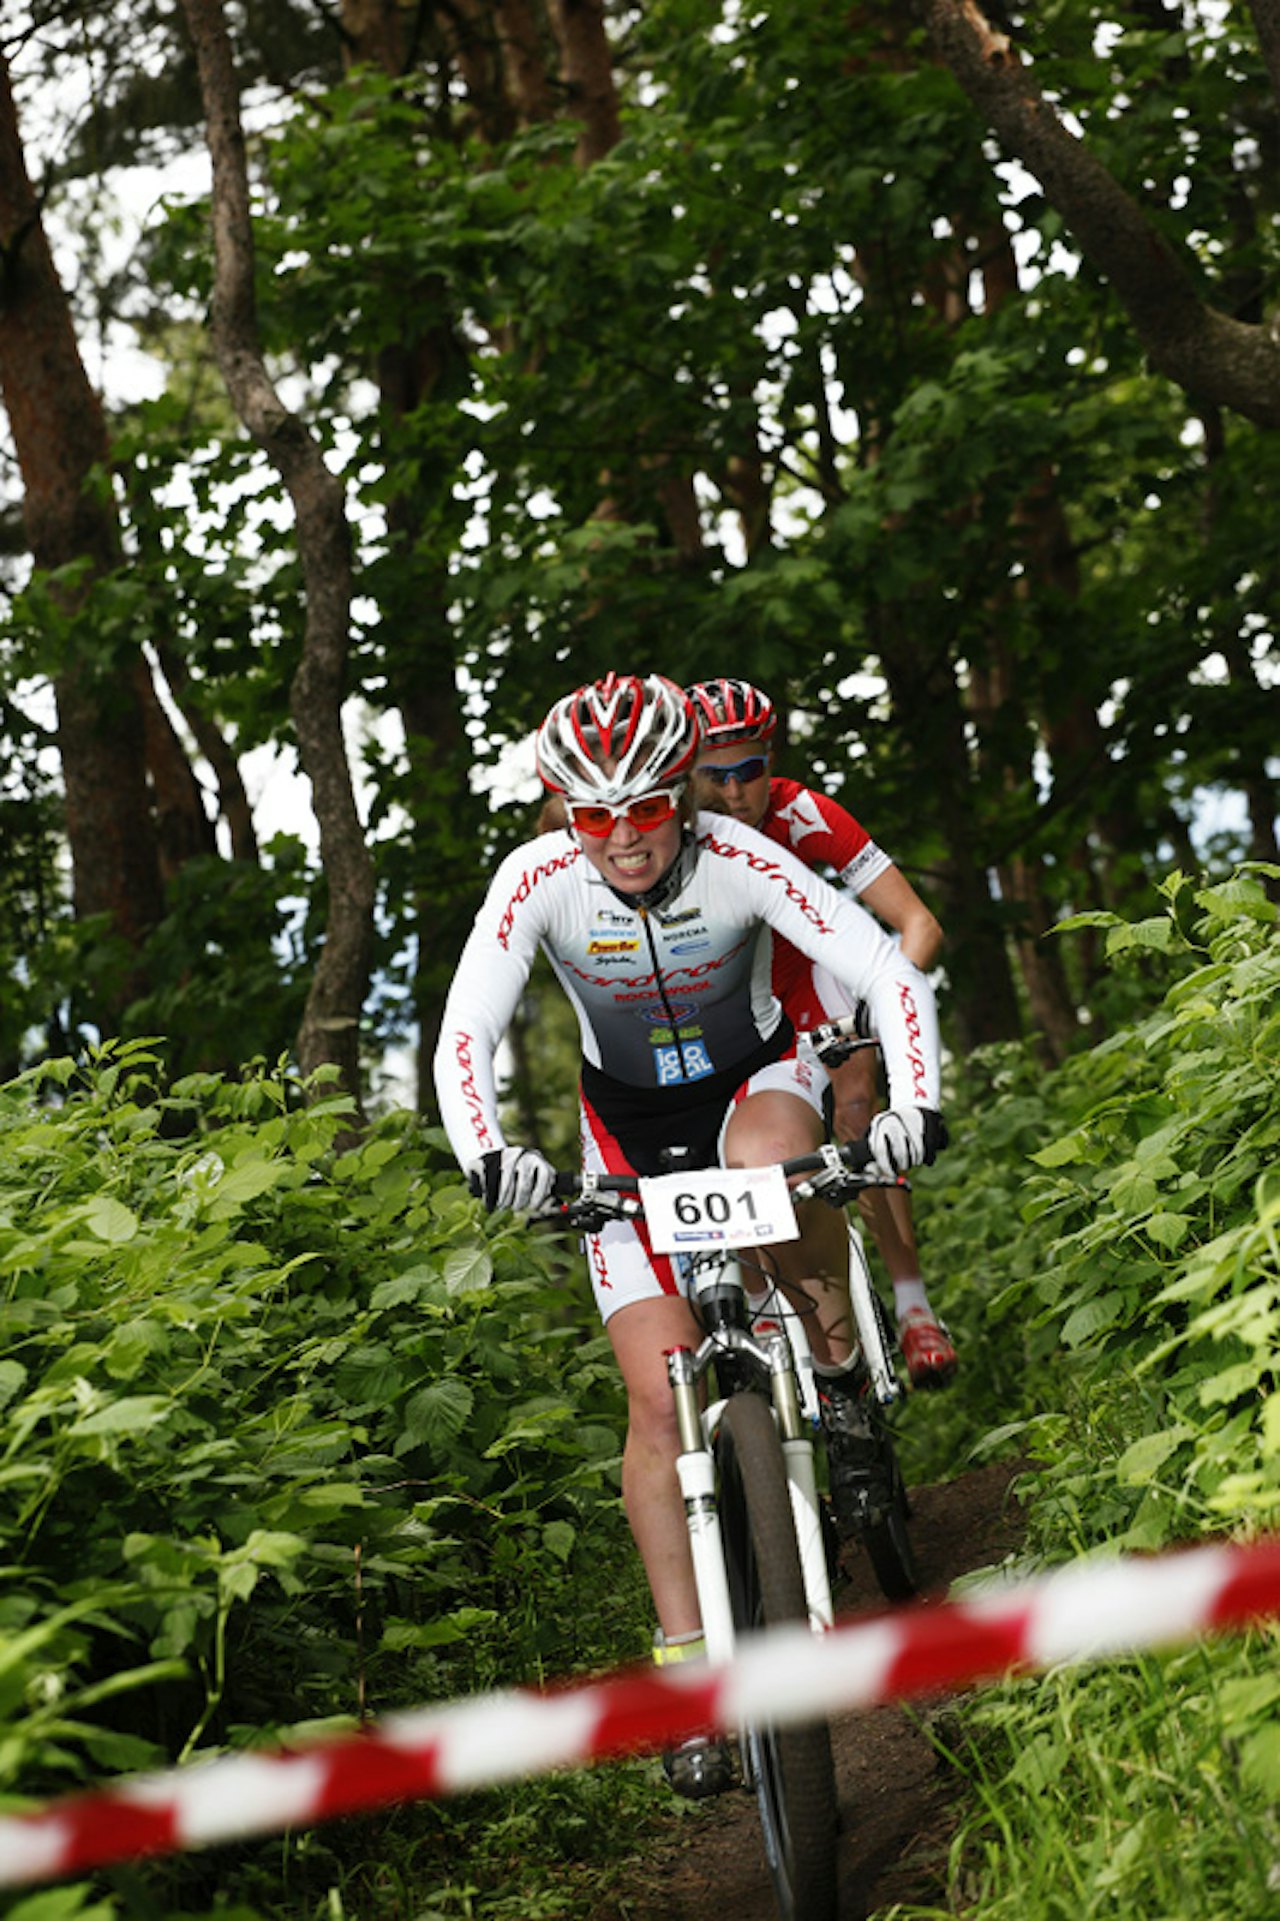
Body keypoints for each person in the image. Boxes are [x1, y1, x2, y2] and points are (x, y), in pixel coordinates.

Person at [433, 672, 945, 1797]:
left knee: (773, 1162)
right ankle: (685, 1675)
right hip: (624, 1141)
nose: (621, 838)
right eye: (592, 814)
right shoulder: (536, 882)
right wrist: (489, 1156)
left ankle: (834, 1350)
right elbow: (464, 1031)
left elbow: (880, 967)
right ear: (563, 812)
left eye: (644, 808)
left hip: (749, 1087)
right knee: (657, 1402)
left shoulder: (741, 856)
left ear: (680, 794)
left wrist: (914, 1103)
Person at [686, 676, 956, 1389]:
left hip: (810, 986)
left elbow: (919, 923)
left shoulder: (800, 810)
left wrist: (872, 1008)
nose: (739, 790)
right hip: (725, 1010)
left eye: (753, 770)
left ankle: (913, 1304)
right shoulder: (669, 835)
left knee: (858, 1101)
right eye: (717, 774)